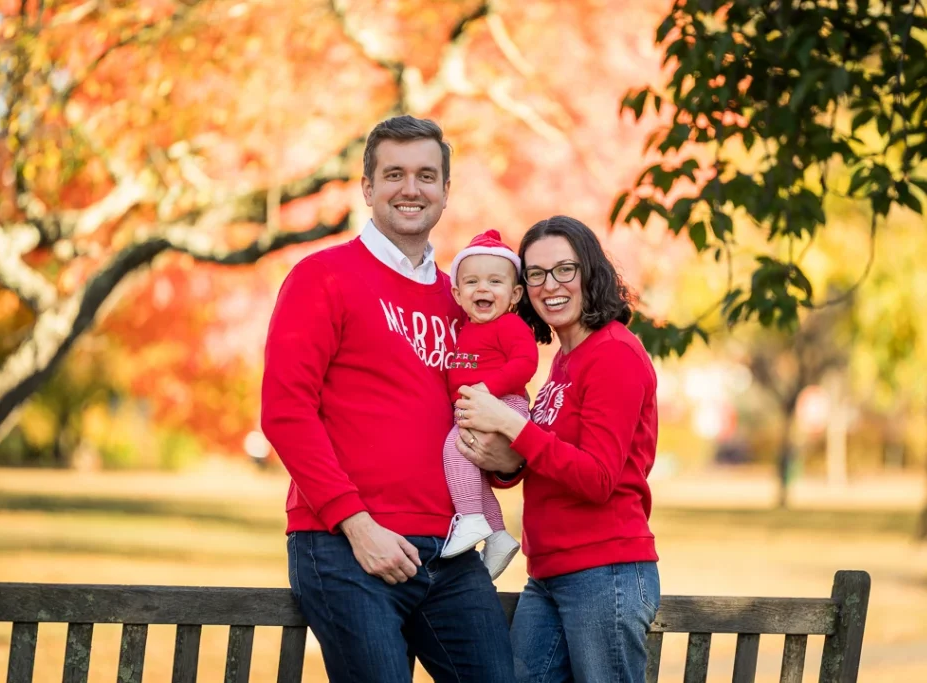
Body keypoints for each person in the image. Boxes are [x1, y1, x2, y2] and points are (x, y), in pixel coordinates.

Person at [260, 115, 515, 683]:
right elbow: (285, 412)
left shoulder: (463, 300)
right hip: (347, 548)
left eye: (427, 175)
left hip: (449, 552)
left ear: (446, 193)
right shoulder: (322, 277)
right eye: (394, 174)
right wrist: (357, 525)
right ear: (368, 188)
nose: (410, 188)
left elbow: (482, 415)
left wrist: (507, 461)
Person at [452, 215, 661, 683]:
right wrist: (508, 463)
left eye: (564, 269)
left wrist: (509, 424)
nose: (551, 285)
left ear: (590, 272)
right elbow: (544, 455)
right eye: (537, 274)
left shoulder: (613, 354)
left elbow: (598, 478)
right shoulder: (565, 360)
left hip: (604, 570)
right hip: (548, 569)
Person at [440, 229, 538, 580]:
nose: (483, 289)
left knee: (453, 450)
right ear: (457, 293)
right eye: (472, 282)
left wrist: (486, 389)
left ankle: (470, 520)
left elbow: (525, 363)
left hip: (504, 405)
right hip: (479, 407)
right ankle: (496, 536)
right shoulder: (465, 329)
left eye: (495, 281)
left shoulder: (509, 325)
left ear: (514, 295)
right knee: (470, 472)